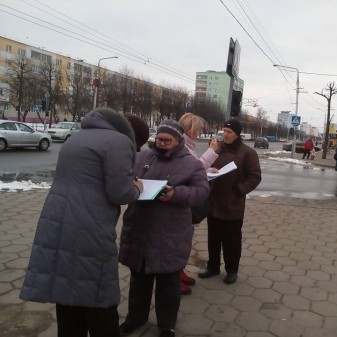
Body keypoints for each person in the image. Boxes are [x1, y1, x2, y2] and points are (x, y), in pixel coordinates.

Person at [19, 108, 145, 337]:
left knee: (67, 291)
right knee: (99, 292)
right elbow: (120, 193)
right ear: (132, 138)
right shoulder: (119, 141)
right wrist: (136, 187)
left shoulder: (76, 137)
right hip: (89, 225)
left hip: (57, 220)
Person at [118, 119, 210, 337]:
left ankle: (166, 325)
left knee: (168, 283)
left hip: (170, 232)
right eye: (159, 139)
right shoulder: (143, 156)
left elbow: (202, 191)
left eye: (167, 140)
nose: (162, 143)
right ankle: (135, 318)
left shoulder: (191, 163)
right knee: (139, 279)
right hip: (140, 226)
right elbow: (126, 177)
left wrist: (175, 194)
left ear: (178, 140)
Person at [198, 119, 261, 284]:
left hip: (233, 204)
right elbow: (203, 167)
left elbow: (255, 177)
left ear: (237, 134)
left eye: (229, 132)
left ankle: (232, 270)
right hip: (213, 201)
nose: (225, 135)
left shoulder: (248, 153)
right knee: (213, 238)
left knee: (231, 240)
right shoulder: (216, 149)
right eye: (224, 131)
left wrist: (239, 190)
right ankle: (213, 267)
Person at [177, 113, 219, 295]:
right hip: (182, 202)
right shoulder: (182, 146)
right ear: (190, 129)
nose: (199, 133)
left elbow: (195, 167)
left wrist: (209, 169)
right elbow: (191, 168)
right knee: (179, 242)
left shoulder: (188, 145)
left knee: (185, 240)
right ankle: (173, 278)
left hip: (188, 200)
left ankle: (179, 271)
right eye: (198, 130)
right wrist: (211, 151)